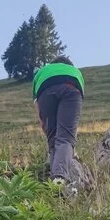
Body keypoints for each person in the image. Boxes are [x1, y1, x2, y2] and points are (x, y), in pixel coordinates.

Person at [32, 57, 84, 189]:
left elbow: (37, 106)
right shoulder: (74, 71)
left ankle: (55, 181)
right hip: (72, 86)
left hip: (45, 90)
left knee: (53, 140)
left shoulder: (42, 72)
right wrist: (70, 147)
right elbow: (71, 122)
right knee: (65, 138)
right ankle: (59, 178)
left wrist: (45, 127)